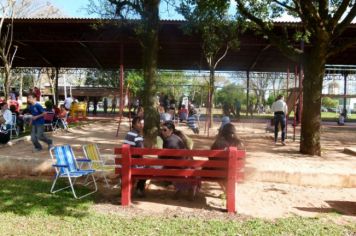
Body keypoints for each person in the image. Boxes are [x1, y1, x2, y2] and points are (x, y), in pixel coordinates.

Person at [160, 121, 198, 200]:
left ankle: (180, 189)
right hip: (184, 165)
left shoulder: (168, 141)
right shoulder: (176, 138)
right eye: (162, 129)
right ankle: (184, 188)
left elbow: (164, 158)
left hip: (176, 168)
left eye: (165, 130)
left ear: (171, 131)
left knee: (157, 167)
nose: (162, 131)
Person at [123, 116, 146, 197]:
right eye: (139, 123)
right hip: (134, 164)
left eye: (142, 123)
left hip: (126, 163)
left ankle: (138, 188)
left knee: (144, 166)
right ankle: (139, 189)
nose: (141, 125)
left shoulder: (129, 134)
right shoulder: (137, 137)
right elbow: (141, 152)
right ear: (133, 124)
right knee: (147, 169)